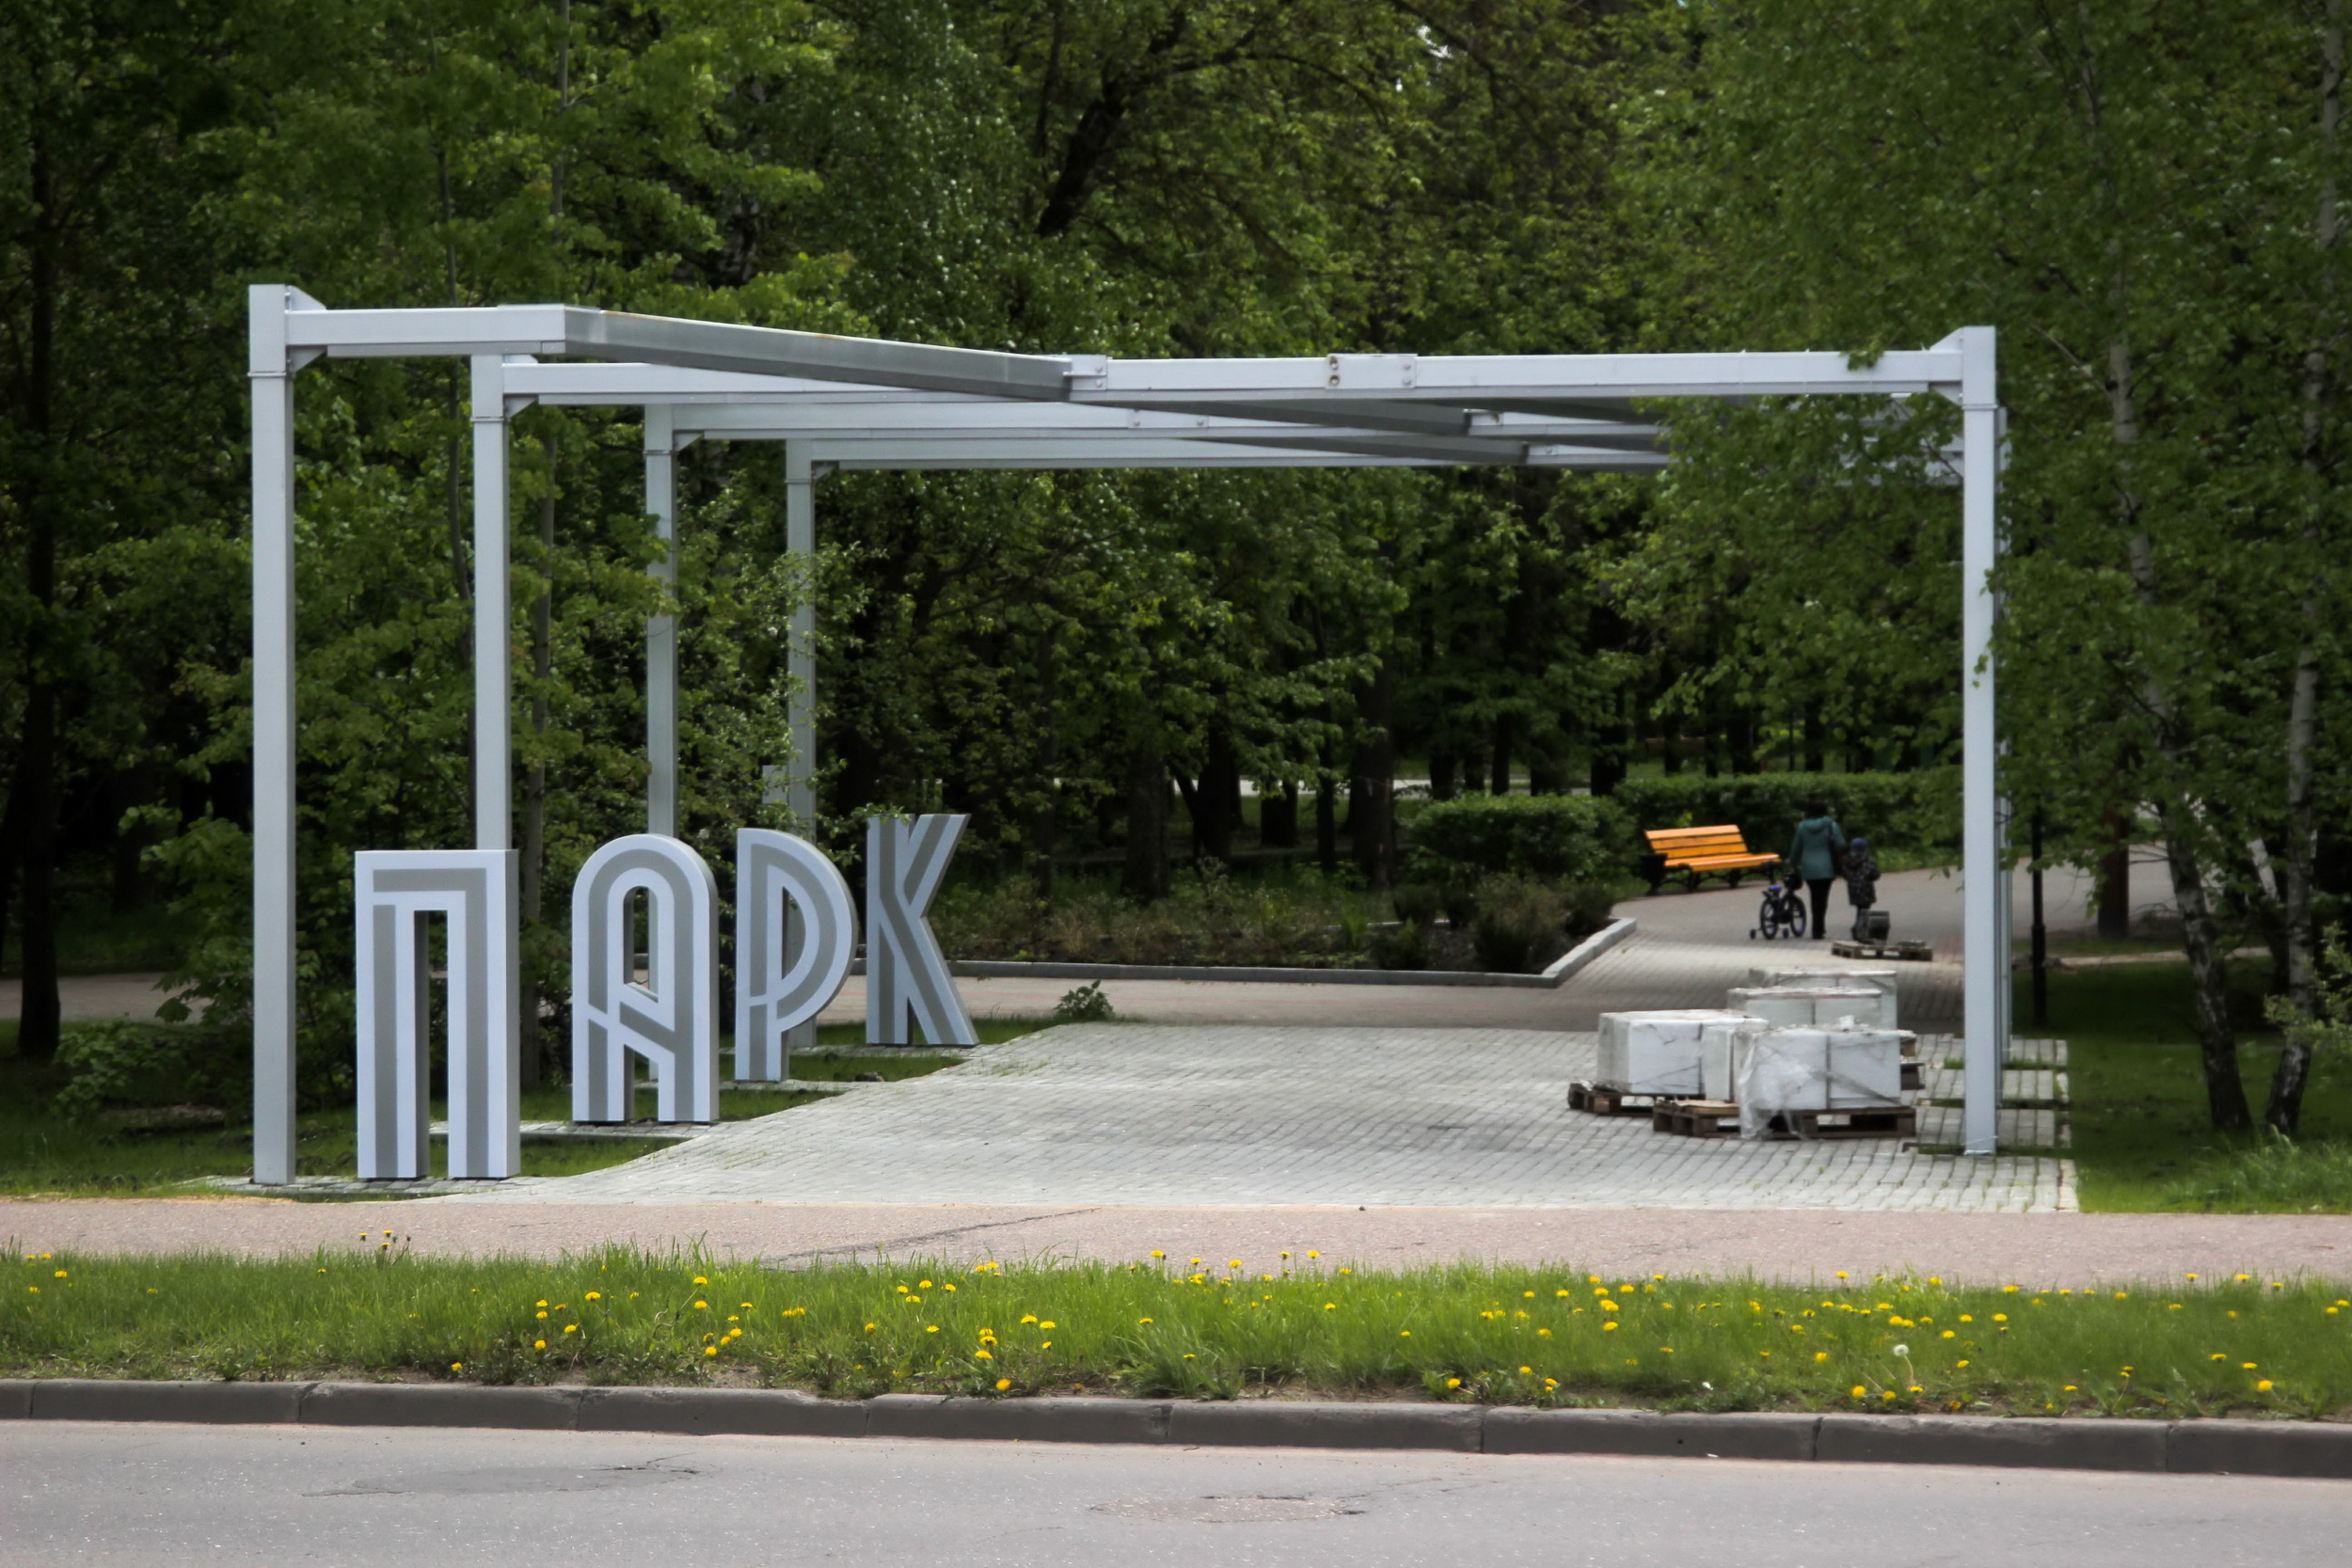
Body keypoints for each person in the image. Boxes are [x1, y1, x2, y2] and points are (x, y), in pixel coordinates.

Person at [1786, 800, 1847, 940]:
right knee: (1823, 898)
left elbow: (1796, 848)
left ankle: (1815, 928)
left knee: (1814, 897)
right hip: (1827, 867)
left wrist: (1792, 861)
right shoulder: (1831, 825)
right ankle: (1820, 928)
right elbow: (1840, 844)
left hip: (1809, 867)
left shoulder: (1802, 827)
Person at [1842, 834, 1881, 939]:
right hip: (1866, 889)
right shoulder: (1869, 861)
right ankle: (1859, 929)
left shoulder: (1847, 861)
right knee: (1865, 910)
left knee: (1859, 909)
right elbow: (1875, 874)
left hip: (1853, 889)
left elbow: (1845, 874)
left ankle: (1859, 928)